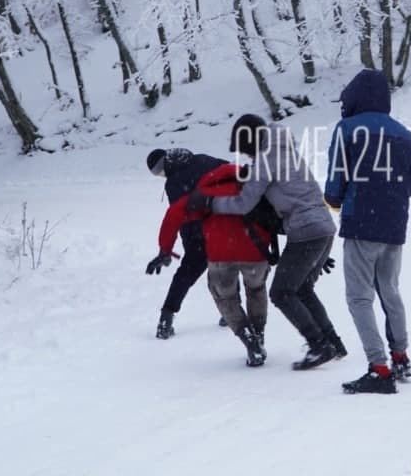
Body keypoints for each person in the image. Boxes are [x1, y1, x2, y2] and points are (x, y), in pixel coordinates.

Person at [188, 114, 346, 370]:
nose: (246, 157)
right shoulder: (286, 150)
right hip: (323, 228)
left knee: (281, 292)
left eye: (244, 151)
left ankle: (319, 345)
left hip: (306, 231)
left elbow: (243, 204)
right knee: (303, 288)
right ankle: (333, 343)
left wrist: (210, 202)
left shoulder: (266, 160)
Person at [324, 69, 411, 395]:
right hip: (394, 224)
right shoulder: (404, 134)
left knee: (359, 297)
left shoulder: (347, 129)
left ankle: (379, 369)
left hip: (361, 222)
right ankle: (400, 357)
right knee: (390, 291)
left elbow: (337, 178)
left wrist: (334, 200)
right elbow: (410, 182)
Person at [155, 162, 275, 367]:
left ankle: (249, 340)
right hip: (256, 252)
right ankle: (259, 333)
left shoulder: (206, 191)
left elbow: (174, 214)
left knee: (225, 297)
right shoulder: (254, 187)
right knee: (256, 289)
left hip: (222, 254)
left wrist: (165, 248)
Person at [144, 148, 225, 339]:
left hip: (195, 234)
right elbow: (229, 170)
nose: (162, 174)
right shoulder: (203, 159)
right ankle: (229, 312)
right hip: (221, 226)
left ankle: (166, 318)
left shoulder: (173, 183)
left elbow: (176, 216)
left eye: (159, 170)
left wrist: (165, 250)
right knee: (223, 270)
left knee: (185, 275)